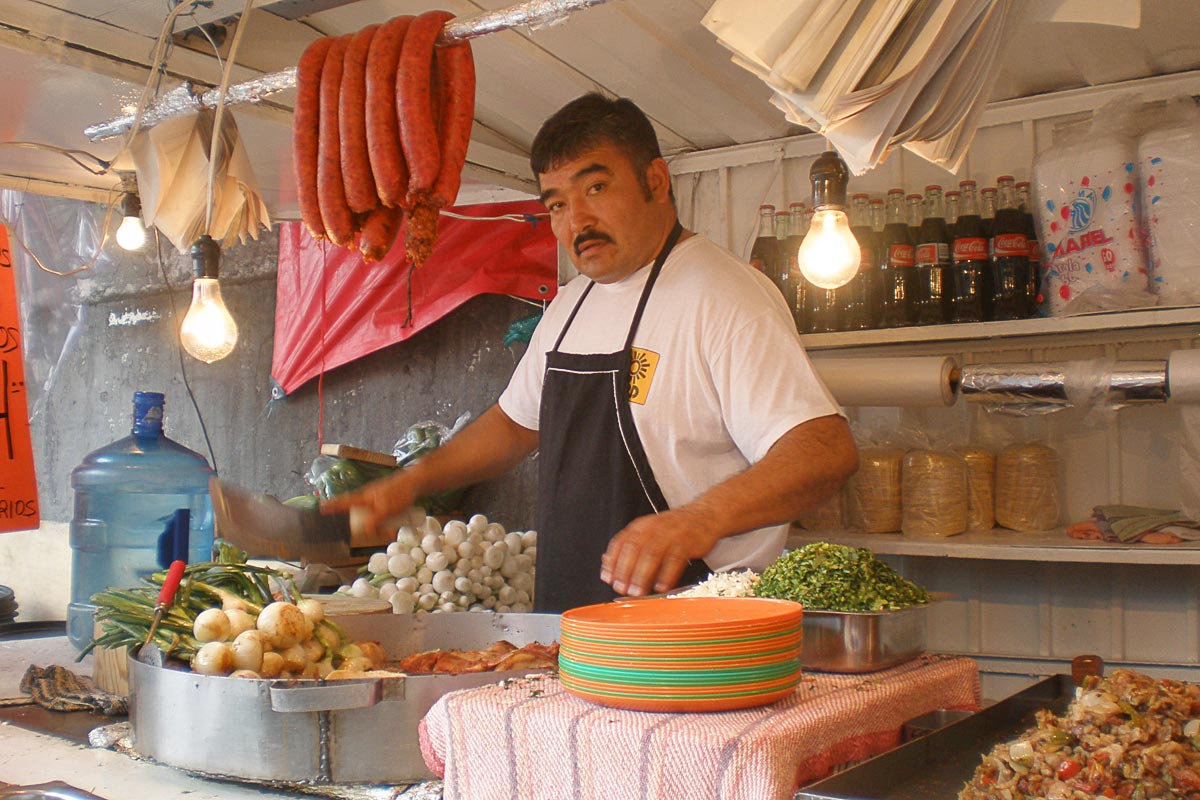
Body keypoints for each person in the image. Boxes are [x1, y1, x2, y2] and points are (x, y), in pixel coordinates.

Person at [324, 93, 858, 612]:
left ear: (655, 180)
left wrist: (700, 519)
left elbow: (824, 451)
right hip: (572, 627)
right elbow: (514, 426)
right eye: (557, 203)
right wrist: (410, 483)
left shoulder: (723, 296)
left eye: (596, 187)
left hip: (693, 634)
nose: (576, 222)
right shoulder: (569, 306)